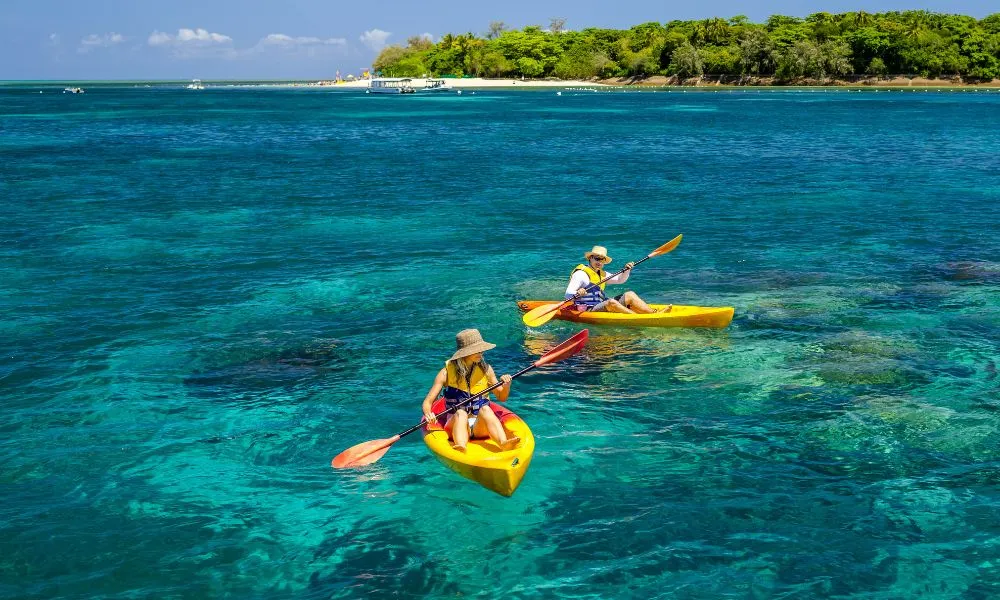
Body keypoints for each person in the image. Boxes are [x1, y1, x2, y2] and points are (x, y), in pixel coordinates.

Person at [421, 329, 520, 452]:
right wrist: (428, 414)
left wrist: (507, 385)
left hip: (480, 427)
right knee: (461, 413)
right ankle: (461, 446)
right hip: (455, 425)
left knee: (486, 408)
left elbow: (502, 397)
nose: (481, 352)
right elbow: (427, 402)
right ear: (465, 353)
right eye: (476, 350)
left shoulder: (486, 369)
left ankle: (503, 442)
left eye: (481, 348)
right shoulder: (446, 373)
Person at [565, 245, 670, 314]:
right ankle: (637, 318)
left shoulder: (602, 274)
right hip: (588, 309)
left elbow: (620, 280)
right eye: (597, 258)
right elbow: (567, 295)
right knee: (611, 302)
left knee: (630, 294)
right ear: (590, 258)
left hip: (600, 304)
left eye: (602, 260)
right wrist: (578, 292)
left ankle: (653, 313)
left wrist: (627, 270)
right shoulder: (581, 274)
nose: (599, 262)